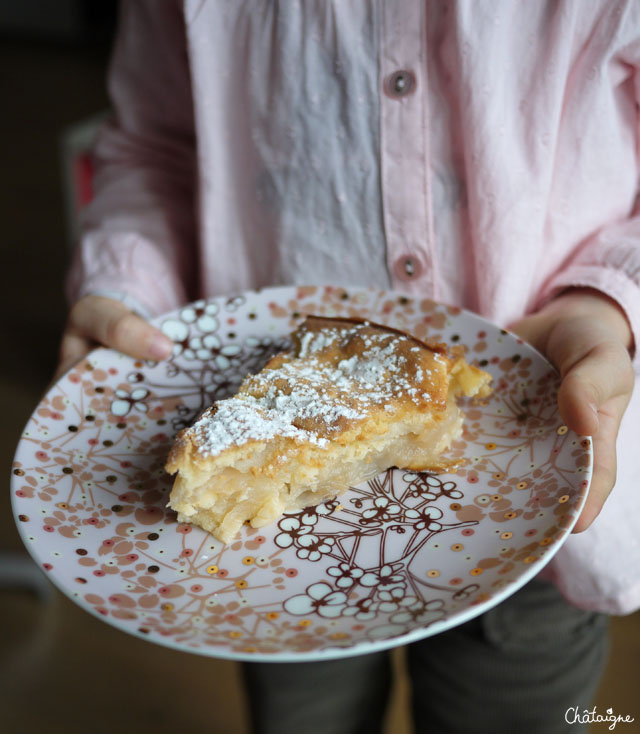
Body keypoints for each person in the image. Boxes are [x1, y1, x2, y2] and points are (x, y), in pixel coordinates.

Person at [58, 2, 639, 732]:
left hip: (540, 479)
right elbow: (154, 146)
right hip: (282, 567)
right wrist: (128, 291)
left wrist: (612, 299)